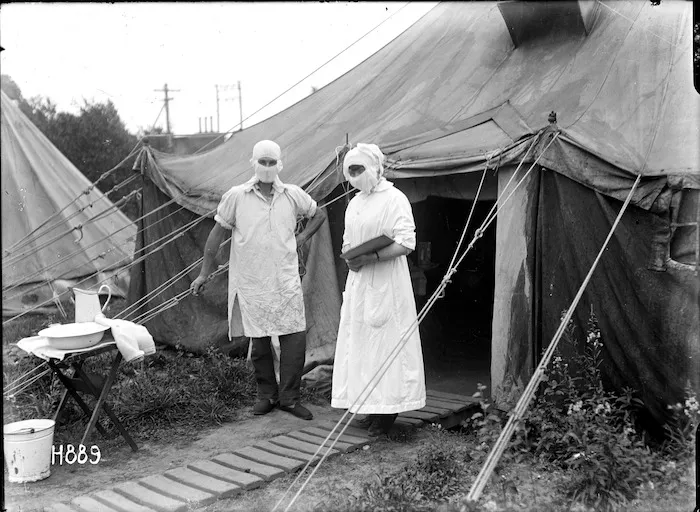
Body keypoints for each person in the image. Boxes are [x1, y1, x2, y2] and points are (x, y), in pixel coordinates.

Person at [191, 140, 327, 421]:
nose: (267, 167)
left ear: (280, 164)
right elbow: (216, 235)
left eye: (271, 162)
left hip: (285, 279)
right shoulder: (237, 196)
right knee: (260, 340)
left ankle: (290, 398)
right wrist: (204, 272)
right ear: (253, 163)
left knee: (294, 337)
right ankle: (267, 395)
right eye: (262, 162)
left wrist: (302, 237)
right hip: (252, 280)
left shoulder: (292, 195)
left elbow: (319, 214)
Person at [331, 143, 426, 437]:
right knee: (361, 343)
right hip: (360, 281)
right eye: (351, 172)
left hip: (386, 281)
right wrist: (351, 258)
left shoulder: (395, 199)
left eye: (359, 169)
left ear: (374, 168)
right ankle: (369, 405)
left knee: (386, 343)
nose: (355, 176)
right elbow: (348, 240)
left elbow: (406, 242)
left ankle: (388, 412)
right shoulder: (355, 203)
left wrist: (372, 257)